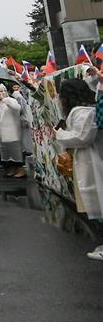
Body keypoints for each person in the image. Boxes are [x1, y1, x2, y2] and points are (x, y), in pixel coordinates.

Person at [54, 79, 103, 260]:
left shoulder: (82, 112)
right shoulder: (90, 108)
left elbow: (82, 138)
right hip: (92, 160)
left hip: (93, 162)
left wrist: (59, 134)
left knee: (99, 200)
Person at [0, 84, 25, 178]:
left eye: (0, 91)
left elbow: (17, 108)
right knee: (6, 152)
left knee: (15, 151)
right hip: (1, 133)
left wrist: (4, 99)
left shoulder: (11, 100)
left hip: (12, 132)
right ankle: (11, 169)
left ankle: (21, 169)